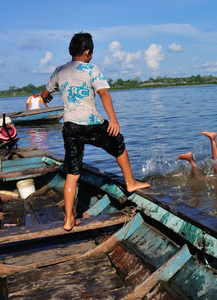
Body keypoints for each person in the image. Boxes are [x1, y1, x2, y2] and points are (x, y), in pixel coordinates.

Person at [41, 32, 149, 231]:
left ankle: (68, 220)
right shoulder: (91, 69)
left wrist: (45, 96)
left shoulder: (59, 70)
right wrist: (113, 119)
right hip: (91, 123)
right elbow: (103, 94)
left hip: (71, 126)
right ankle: (130, 182)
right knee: (118, 143)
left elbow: (45, 93)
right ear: (88, 52)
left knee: (72, 174)